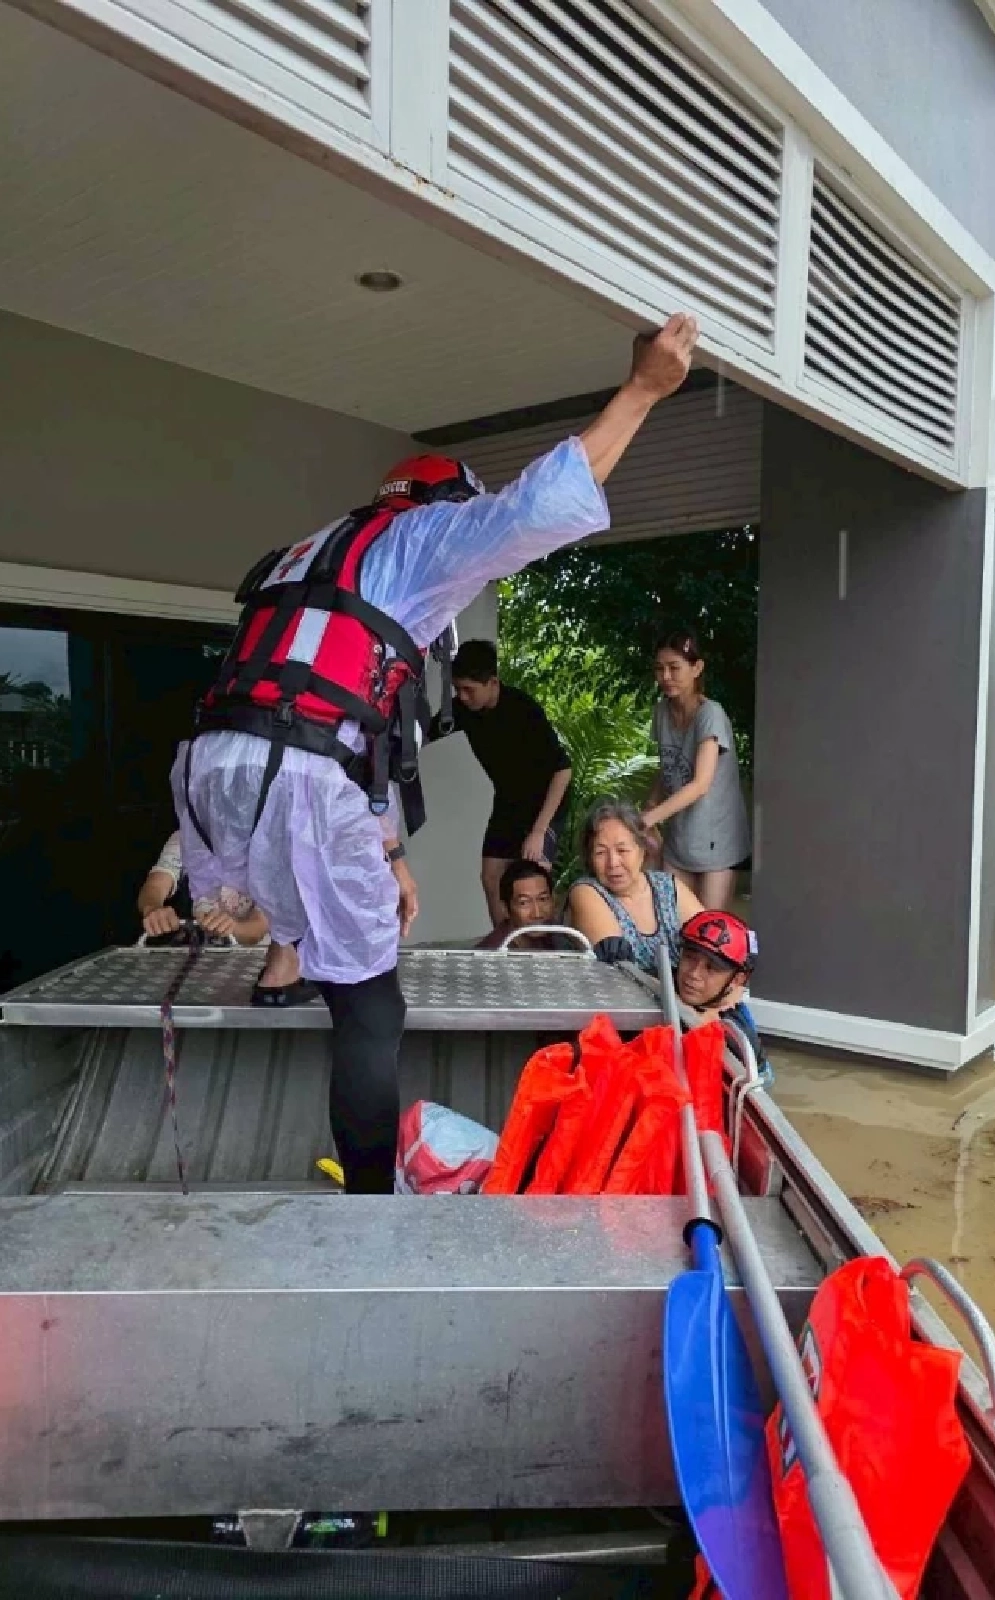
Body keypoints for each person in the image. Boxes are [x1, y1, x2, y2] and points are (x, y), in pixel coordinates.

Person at [172, 314, 701, 1193]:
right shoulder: (420, 535)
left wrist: (388, 858)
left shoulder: (303, 554)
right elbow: (535, 509)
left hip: (208, 773)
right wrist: (643, 391)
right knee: (372, 1007)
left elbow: (348, 722)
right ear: (442, 506)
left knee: (292, 914)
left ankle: (284, 965)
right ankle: (375, 1199)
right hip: (297, 776)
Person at [433, 639, 572, 924]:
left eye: (469, 690)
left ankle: (547, 947)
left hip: (545, 804)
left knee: (535, 879)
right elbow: (422, 735)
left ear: (492, 683)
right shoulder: (461, 710)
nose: (462, 697)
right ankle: (506, 946)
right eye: (458, 690)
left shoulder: (524, 710)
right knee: (491, 876)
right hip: (508, 801)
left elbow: (563, 771)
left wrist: (539, 831)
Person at [136, 830, 320, 1005]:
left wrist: (232, 928)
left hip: (257, 963)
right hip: (202, 964)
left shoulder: (272, 845)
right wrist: (153, 909)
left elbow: (257, 929)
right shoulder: (188, 836)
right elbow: (155, 886)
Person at [642, 629, 750, 911]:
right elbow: (668, 765)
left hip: (717, 841)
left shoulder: (710, 714)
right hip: (679, 840)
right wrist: (651, 802)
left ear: (696, 668)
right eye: (659, 669)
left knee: (708, 935)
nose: (665, 676)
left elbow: (701, 783)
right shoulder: (661, 711)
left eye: (674, 668)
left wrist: (649, 817)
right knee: (670, 921)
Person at [565, 798, 703, 973]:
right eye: (600, 853)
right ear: (590, 858)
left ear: (642, 849)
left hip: (684, 998)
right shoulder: (586, 891)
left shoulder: (667, 887)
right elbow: (618, 968)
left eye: (622, 850)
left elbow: (715, 938)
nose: (613, 862)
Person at [674, 909, 771, 1081]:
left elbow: (760, 1086)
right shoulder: (657, 981)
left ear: (737, 979)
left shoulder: (737, 1036)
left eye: (711, 968)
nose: (694, 974)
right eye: (689, 958)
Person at [475, 860, 580, 951]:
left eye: (543, 899)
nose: (537, 913)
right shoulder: (492, 953)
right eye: (524, 903)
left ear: (553, 900)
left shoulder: (558, 937)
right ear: (505, 909)